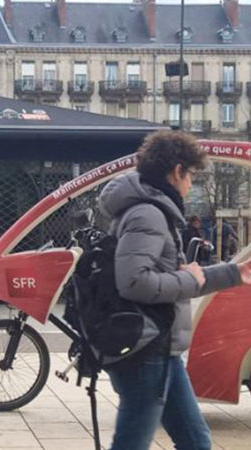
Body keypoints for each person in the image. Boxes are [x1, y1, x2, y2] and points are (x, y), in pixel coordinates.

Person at [99, 129, 251, 450]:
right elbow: (135, 281)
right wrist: (191, 280)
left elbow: (181, 275)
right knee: (132, 443)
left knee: (196, 442)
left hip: (162, 349)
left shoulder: (154, 210)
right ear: (177, 171)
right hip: (146, 352)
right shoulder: (148, 214)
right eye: (191, 175)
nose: (190, 184)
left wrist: (235, 273)